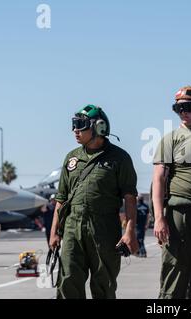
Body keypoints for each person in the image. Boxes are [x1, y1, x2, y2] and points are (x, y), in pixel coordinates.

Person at [49, 104, 139, 299]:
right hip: (72, 228)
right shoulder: (72, 158)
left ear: (98, 127)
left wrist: (130, 231)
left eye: (80, 125)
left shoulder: (119, 158)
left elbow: (130, 198)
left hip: (104, 229)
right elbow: (61, 199)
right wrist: (54, 232)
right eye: (74, 124)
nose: (75, 130)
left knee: (104, 284)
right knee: (68, 282)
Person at [152, 86, 191, 299]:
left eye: (188, 107)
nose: (183, 112)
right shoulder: (170, 139)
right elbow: (158, 179)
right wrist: (159, 218)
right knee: (174, 275)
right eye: (178, 108)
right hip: (180, 214)